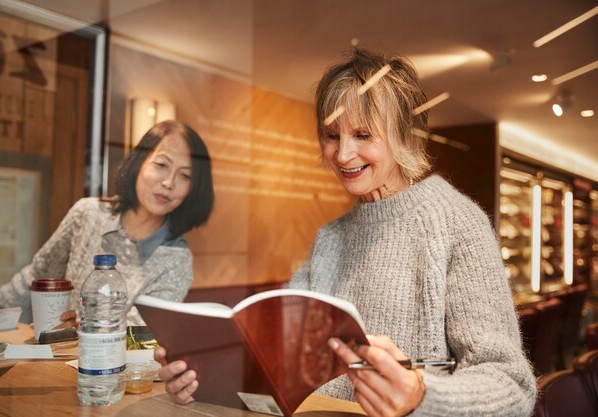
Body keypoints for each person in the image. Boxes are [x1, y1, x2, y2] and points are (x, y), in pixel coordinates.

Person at [155, 49, 536, 416]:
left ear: (404, 135)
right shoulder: (330, 239)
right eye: (332, 134)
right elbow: (280, 367)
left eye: (363, 134)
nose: (342, 154)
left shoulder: (458, 224)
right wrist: (205, 377)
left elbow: (511, 387)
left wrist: (420, 394)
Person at [0, 120, 214, 326]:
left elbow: (140, 338)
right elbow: (37, 278)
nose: (168, 182)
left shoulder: (176, 260)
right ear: (139, 164)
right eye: (161, 165)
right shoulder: (88, 214)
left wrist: (80, 329)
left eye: (185, 175)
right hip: (50, 365)